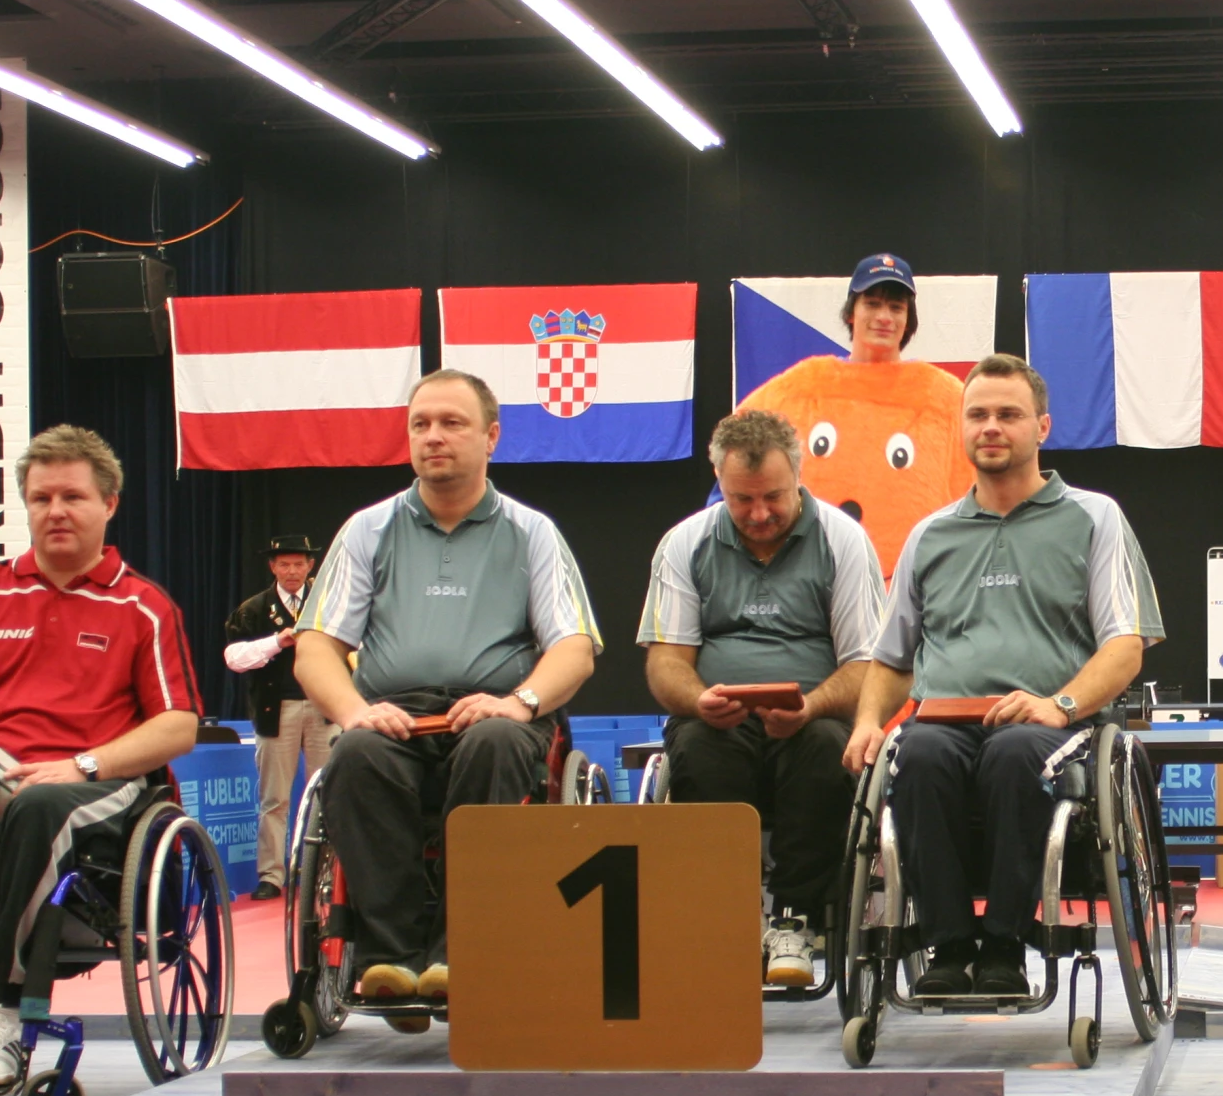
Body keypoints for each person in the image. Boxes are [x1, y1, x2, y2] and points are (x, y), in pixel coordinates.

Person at [843, 353, 1164, 998]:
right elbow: (891, 658)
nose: (992, 426)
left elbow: (1125, 646)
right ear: (961, 429)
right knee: (921, 757)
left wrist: (1061, 704)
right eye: (978, 414)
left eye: (1009, 415)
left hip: (1049, 723)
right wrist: (869, 721)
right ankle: (949, 943)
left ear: (1041, 426)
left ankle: (1005, 945)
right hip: (944, 719)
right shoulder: (929, 535)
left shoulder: (1094, 517)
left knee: (1016, 754)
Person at [296, 369, 601, 1030]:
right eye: (420, 424)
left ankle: (459, 952)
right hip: (392, 713)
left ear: (491, 436)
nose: (433, 436)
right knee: (354, 753)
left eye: (452, 423)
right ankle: (391, 958)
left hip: (496, 710)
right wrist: (353, 711)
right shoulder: (367, 529)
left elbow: (574, 648)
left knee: (492, 742)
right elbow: (314, 647)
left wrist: (519, 702)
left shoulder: (532, 532)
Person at [0, 427, 201, 1087]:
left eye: (73, 495)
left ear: (110, 503)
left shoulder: (143, 606)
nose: (56, 510)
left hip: (97, 785)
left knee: (41, 804)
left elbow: (179, 724)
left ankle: (9, 1011)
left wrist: (82, 766)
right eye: (41, 497)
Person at [640, 408, 885, 987]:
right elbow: (666, 662)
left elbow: (866, 663)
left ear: (798, 478)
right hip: (719, 719)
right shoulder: (684, 543)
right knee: (698, 744)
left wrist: (814, 704)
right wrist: (699, 700)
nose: (758, 514)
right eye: (740, 499)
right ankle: (733, 913)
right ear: (719, 484)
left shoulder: (842, 541)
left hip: (812, 715)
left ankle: (796, 919)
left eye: (773, 497)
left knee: (828, 745)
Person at [736, 254, 971, 574]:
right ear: (851, 312)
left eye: (896, 307)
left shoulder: (944, 398)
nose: (884, 316)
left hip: (911, 586)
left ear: (908, 319)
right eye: (872, 304)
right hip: (814, 582)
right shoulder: (803, 388)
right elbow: (735, 457)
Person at [224, 534, 336, 900]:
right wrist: (278, 642)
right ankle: (271, 874)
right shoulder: (255, 608)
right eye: (284, 564)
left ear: (310, 566)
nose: (292, 571)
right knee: (274, 798)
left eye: (299, 564)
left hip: (324, 708)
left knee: (328, 794)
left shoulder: (329, 603)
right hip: (278, 711)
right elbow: (234, 658)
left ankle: (324, 875)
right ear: (272, 567)